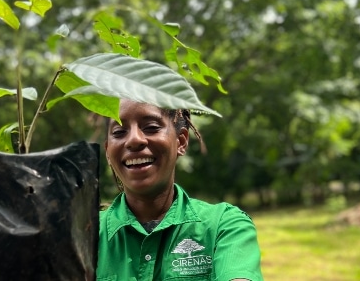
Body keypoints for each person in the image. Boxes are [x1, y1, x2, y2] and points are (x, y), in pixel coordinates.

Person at [97, 99, 263, 281]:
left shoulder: (224, 226)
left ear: (181, 142)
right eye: (119, 132)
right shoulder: (82, 236)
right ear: (107, 152)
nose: (134, 140)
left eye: (151, 127)